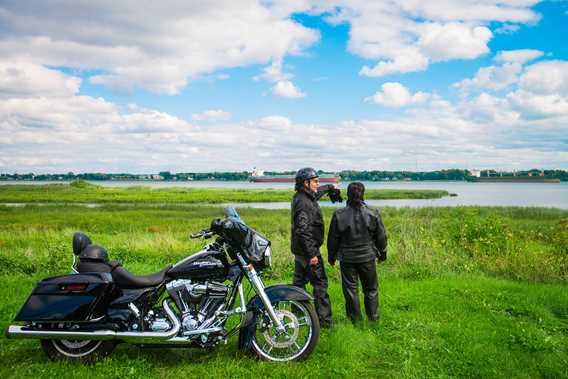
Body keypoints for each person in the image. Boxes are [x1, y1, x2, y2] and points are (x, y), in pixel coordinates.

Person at [327, 182, 387, 323]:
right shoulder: (373, 213)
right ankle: (373, 319)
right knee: (371, 289)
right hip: (368, 257)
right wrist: (382, 254)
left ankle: (356, 321)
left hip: (347, 259)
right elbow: (381, 236)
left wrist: (331, 257)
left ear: (347, 194)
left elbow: (333, 239)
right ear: (363, 194)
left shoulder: (339, 214)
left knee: (350, 291)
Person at [290, 167, 336, 328]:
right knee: (320, 284)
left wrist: (330, 188)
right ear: (305, 183)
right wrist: (312, 254)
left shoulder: (302, 196)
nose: (318, 184)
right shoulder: (304, 204)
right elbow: (302, 230)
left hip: (300, 251)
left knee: (299, 284)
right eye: (315, 181)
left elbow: (315, 194)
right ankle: (324, 322)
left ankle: (296, 316)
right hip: (309, 252)